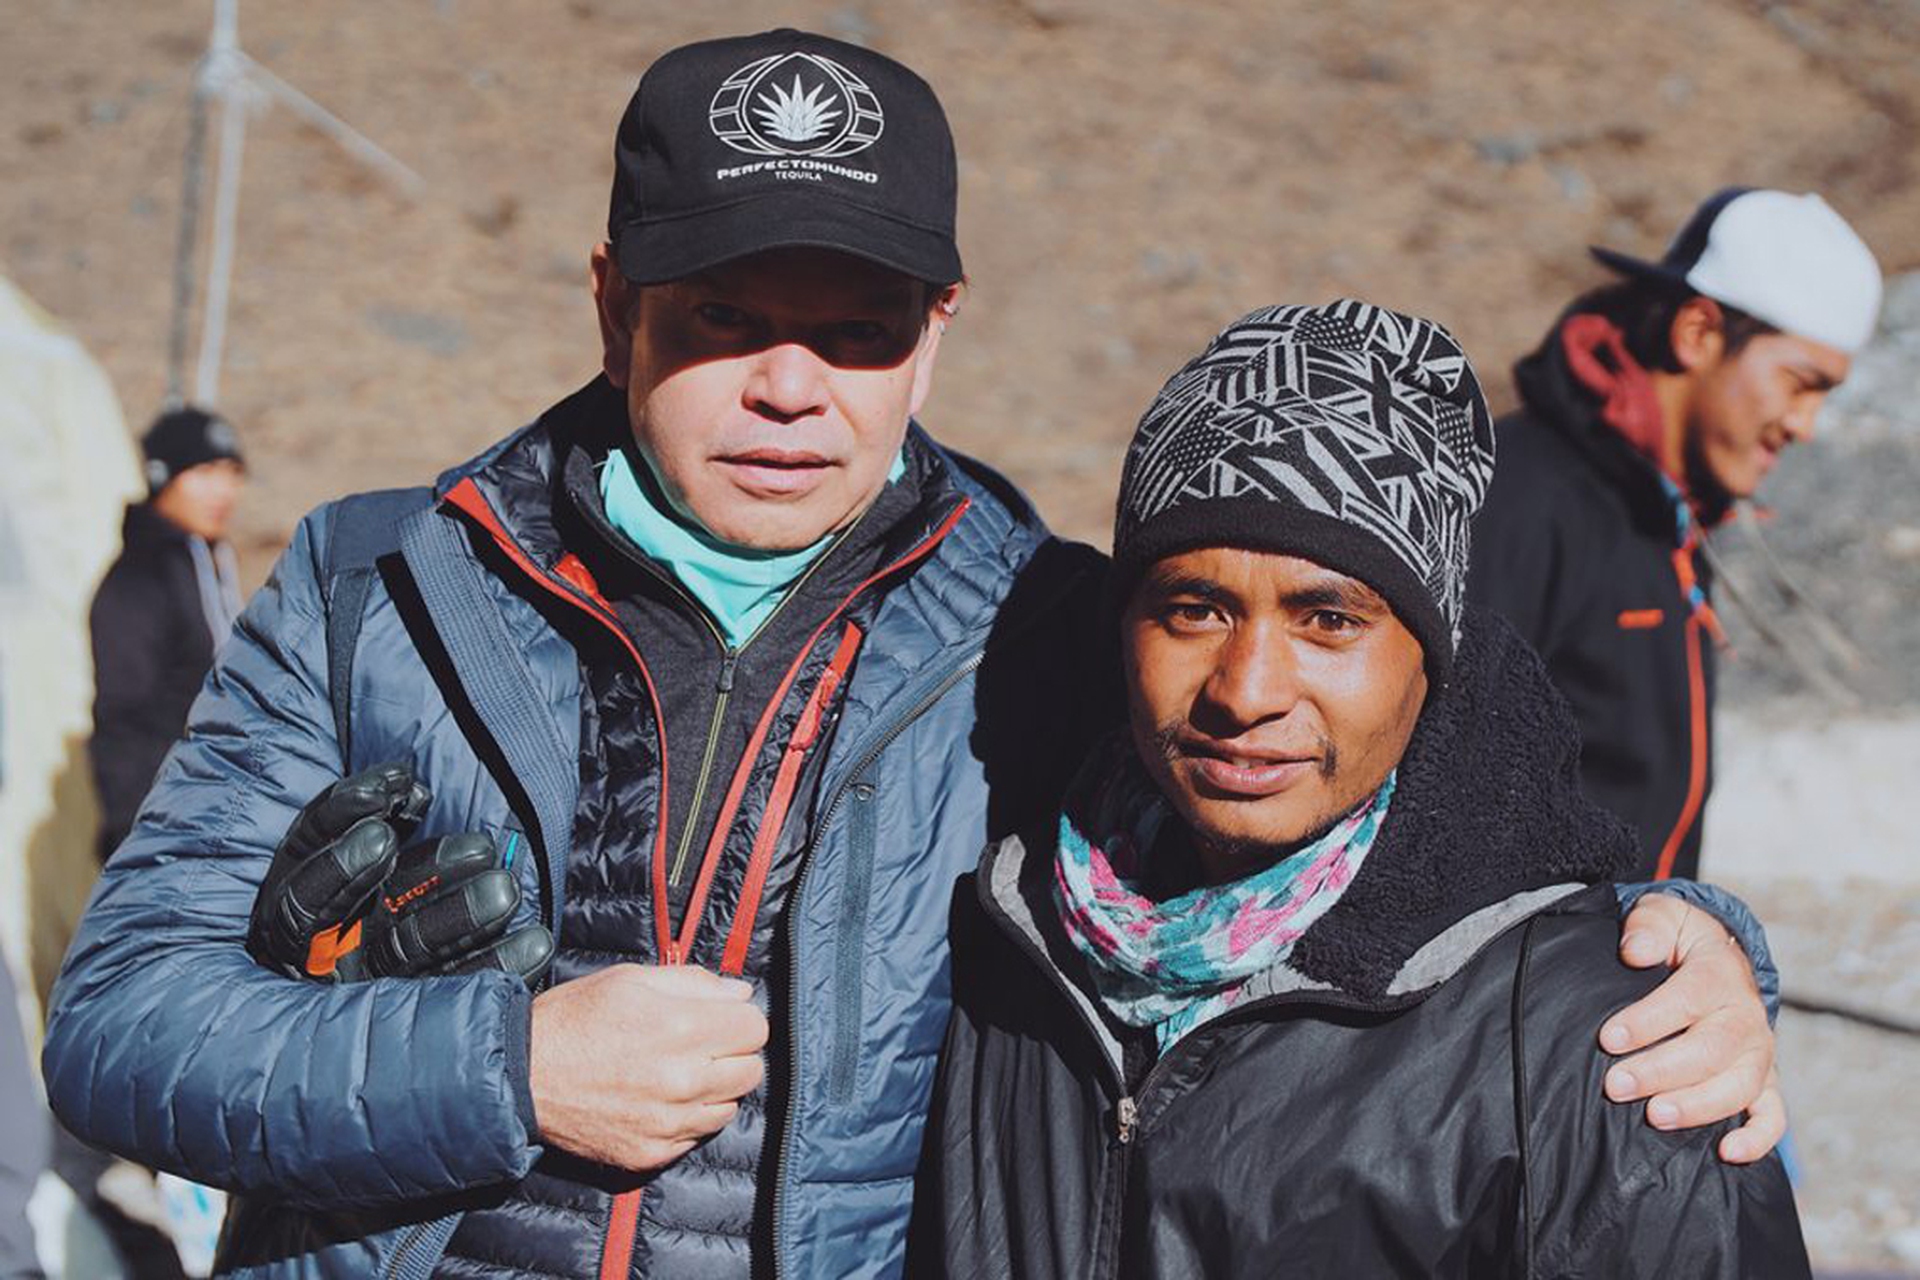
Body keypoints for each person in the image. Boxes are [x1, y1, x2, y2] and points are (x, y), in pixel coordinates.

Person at [45, 31, 1781, 1280]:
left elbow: (1398, 822)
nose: (791, 388)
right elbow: (116, 1028)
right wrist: (503, 1067)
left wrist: (1692, 948)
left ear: (936, 334)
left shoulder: (1053, 628)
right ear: (612, 302)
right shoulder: (377, 583)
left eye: (858, 332)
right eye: (724, 320)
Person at [913, 301, 1809, 1278]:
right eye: (1194, 608)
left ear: (1433, 653)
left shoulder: (1617, 1048)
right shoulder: (1022, 932)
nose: (1245, 690)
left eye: (1329, 620)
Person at [1468, 188, 1881, 879]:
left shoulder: (1667, 516)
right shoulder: (1523, 499)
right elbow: (1436, 790)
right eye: (1799, 383)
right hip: (1528, 949)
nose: (1805, 425)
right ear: (1697, 333)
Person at [89, 404, 246, 862]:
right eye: (204, 472)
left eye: (233, 472)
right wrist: (141, 838)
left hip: (218, 814)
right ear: (162, 477)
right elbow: (123, 718)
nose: (223, 490)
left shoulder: (211, 566)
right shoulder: (138, 579)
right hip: (164, 830)